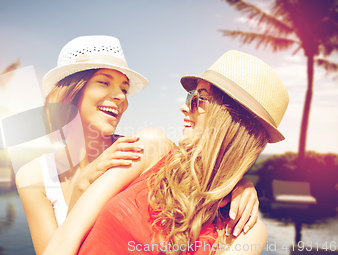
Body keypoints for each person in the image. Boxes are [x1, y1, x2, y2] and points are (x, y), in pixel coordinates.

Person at [17, 36, 260, 255]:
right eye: (104, 82)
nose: (121, 96)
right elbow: (55, 247)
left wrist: (240, 184)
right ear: (72, 90)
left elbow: (194, 168)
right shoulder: (34, 175)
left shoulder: (138, 150)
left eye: (124, 89)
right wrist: (82, 186)